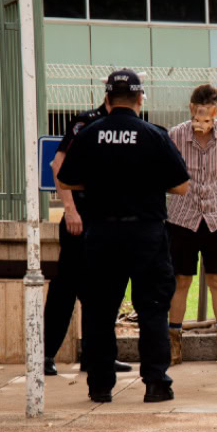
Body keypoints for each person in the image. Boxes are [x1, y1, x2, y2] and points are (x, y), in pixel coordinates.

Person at [57, 69, 190, 403]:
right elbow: (182, 185)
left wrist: (103, 182)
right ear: (140, 98)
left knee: (100, 311)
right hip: (146, 233)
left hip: (102, 233)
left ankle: (100, 385)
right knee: (154, 308)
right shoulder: (154, 135)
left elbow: (69, 179)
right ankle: (156, 382)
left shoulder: (89, 134)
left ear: (107, 99)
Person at [43, 97, 132, 377]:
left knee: (105, 290)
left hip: (108, 223)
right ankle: (44, 354)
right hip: (79, 221)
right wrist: (69, 210)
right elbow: (58, 165)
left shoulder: (128, 125)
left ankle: (99, 356)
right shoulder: (85, 123)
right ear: (109, 97)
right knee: (66, 287)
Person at [166, 84, 217, 366]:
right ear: (191, 109)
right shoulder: (176, 134)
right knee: (181, 280)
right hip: (182, 217)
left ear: (215, 111)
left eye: (206, 112)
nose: (200, 116)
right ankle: (173, 342)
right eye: (196, 110)